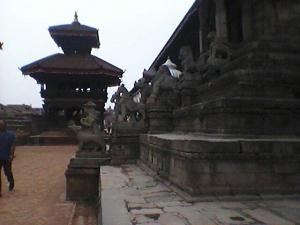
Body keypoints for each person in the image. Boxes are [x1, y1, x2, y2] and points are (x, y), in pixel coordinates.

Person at [0, 120, 15, 197]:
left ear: (5, 125)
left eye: (1, 124)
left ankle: (11, 183)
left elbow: (12, 145)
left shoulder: (10, 135)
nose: (0, 126)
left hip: (6, 157)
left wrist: (11, 155)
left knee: (7, 172)